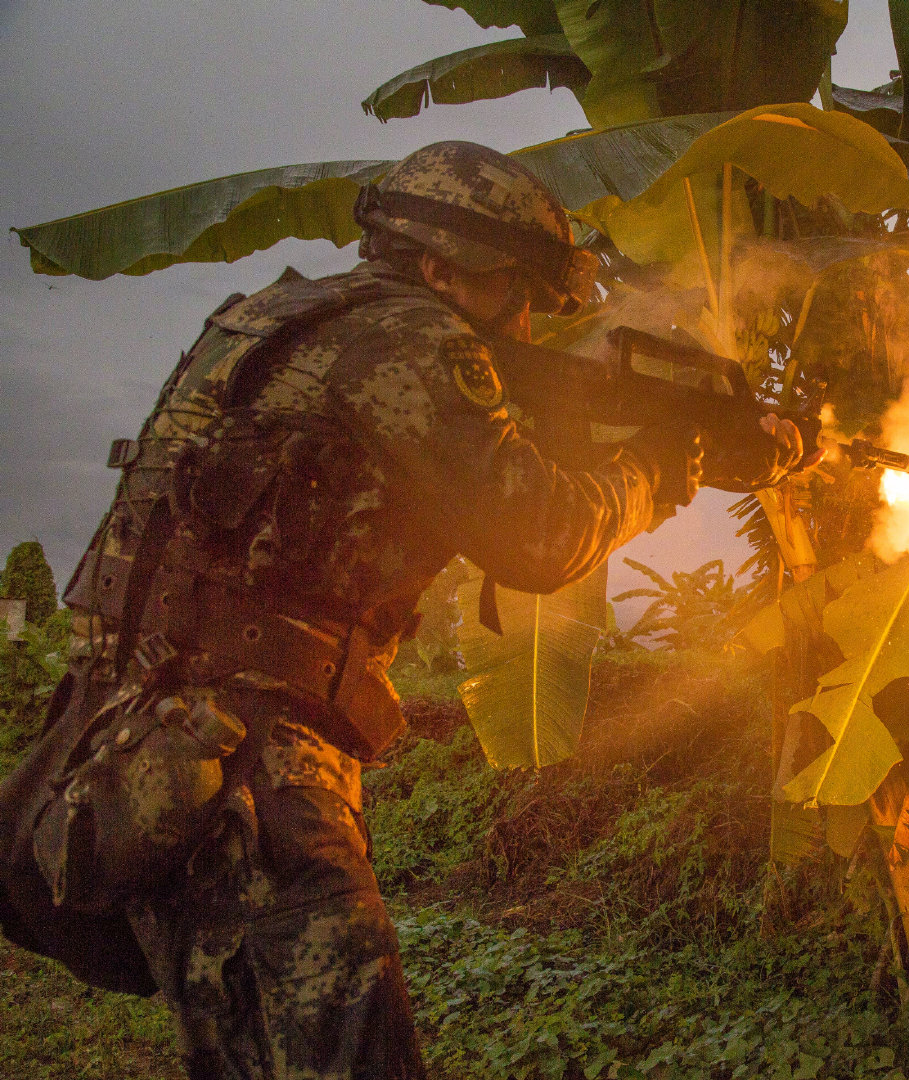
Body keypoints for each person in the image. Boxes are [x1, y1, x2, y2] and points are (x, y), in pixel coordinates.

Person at [0, 141, 799, 1079]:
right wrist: (663, 470)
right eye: (515, 292)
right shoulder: (416, 338)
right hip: (248, 757)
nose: (525, 322)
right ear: (441, 267)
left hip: (138, 727)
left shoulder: (271, 316)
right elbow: (541, 536)